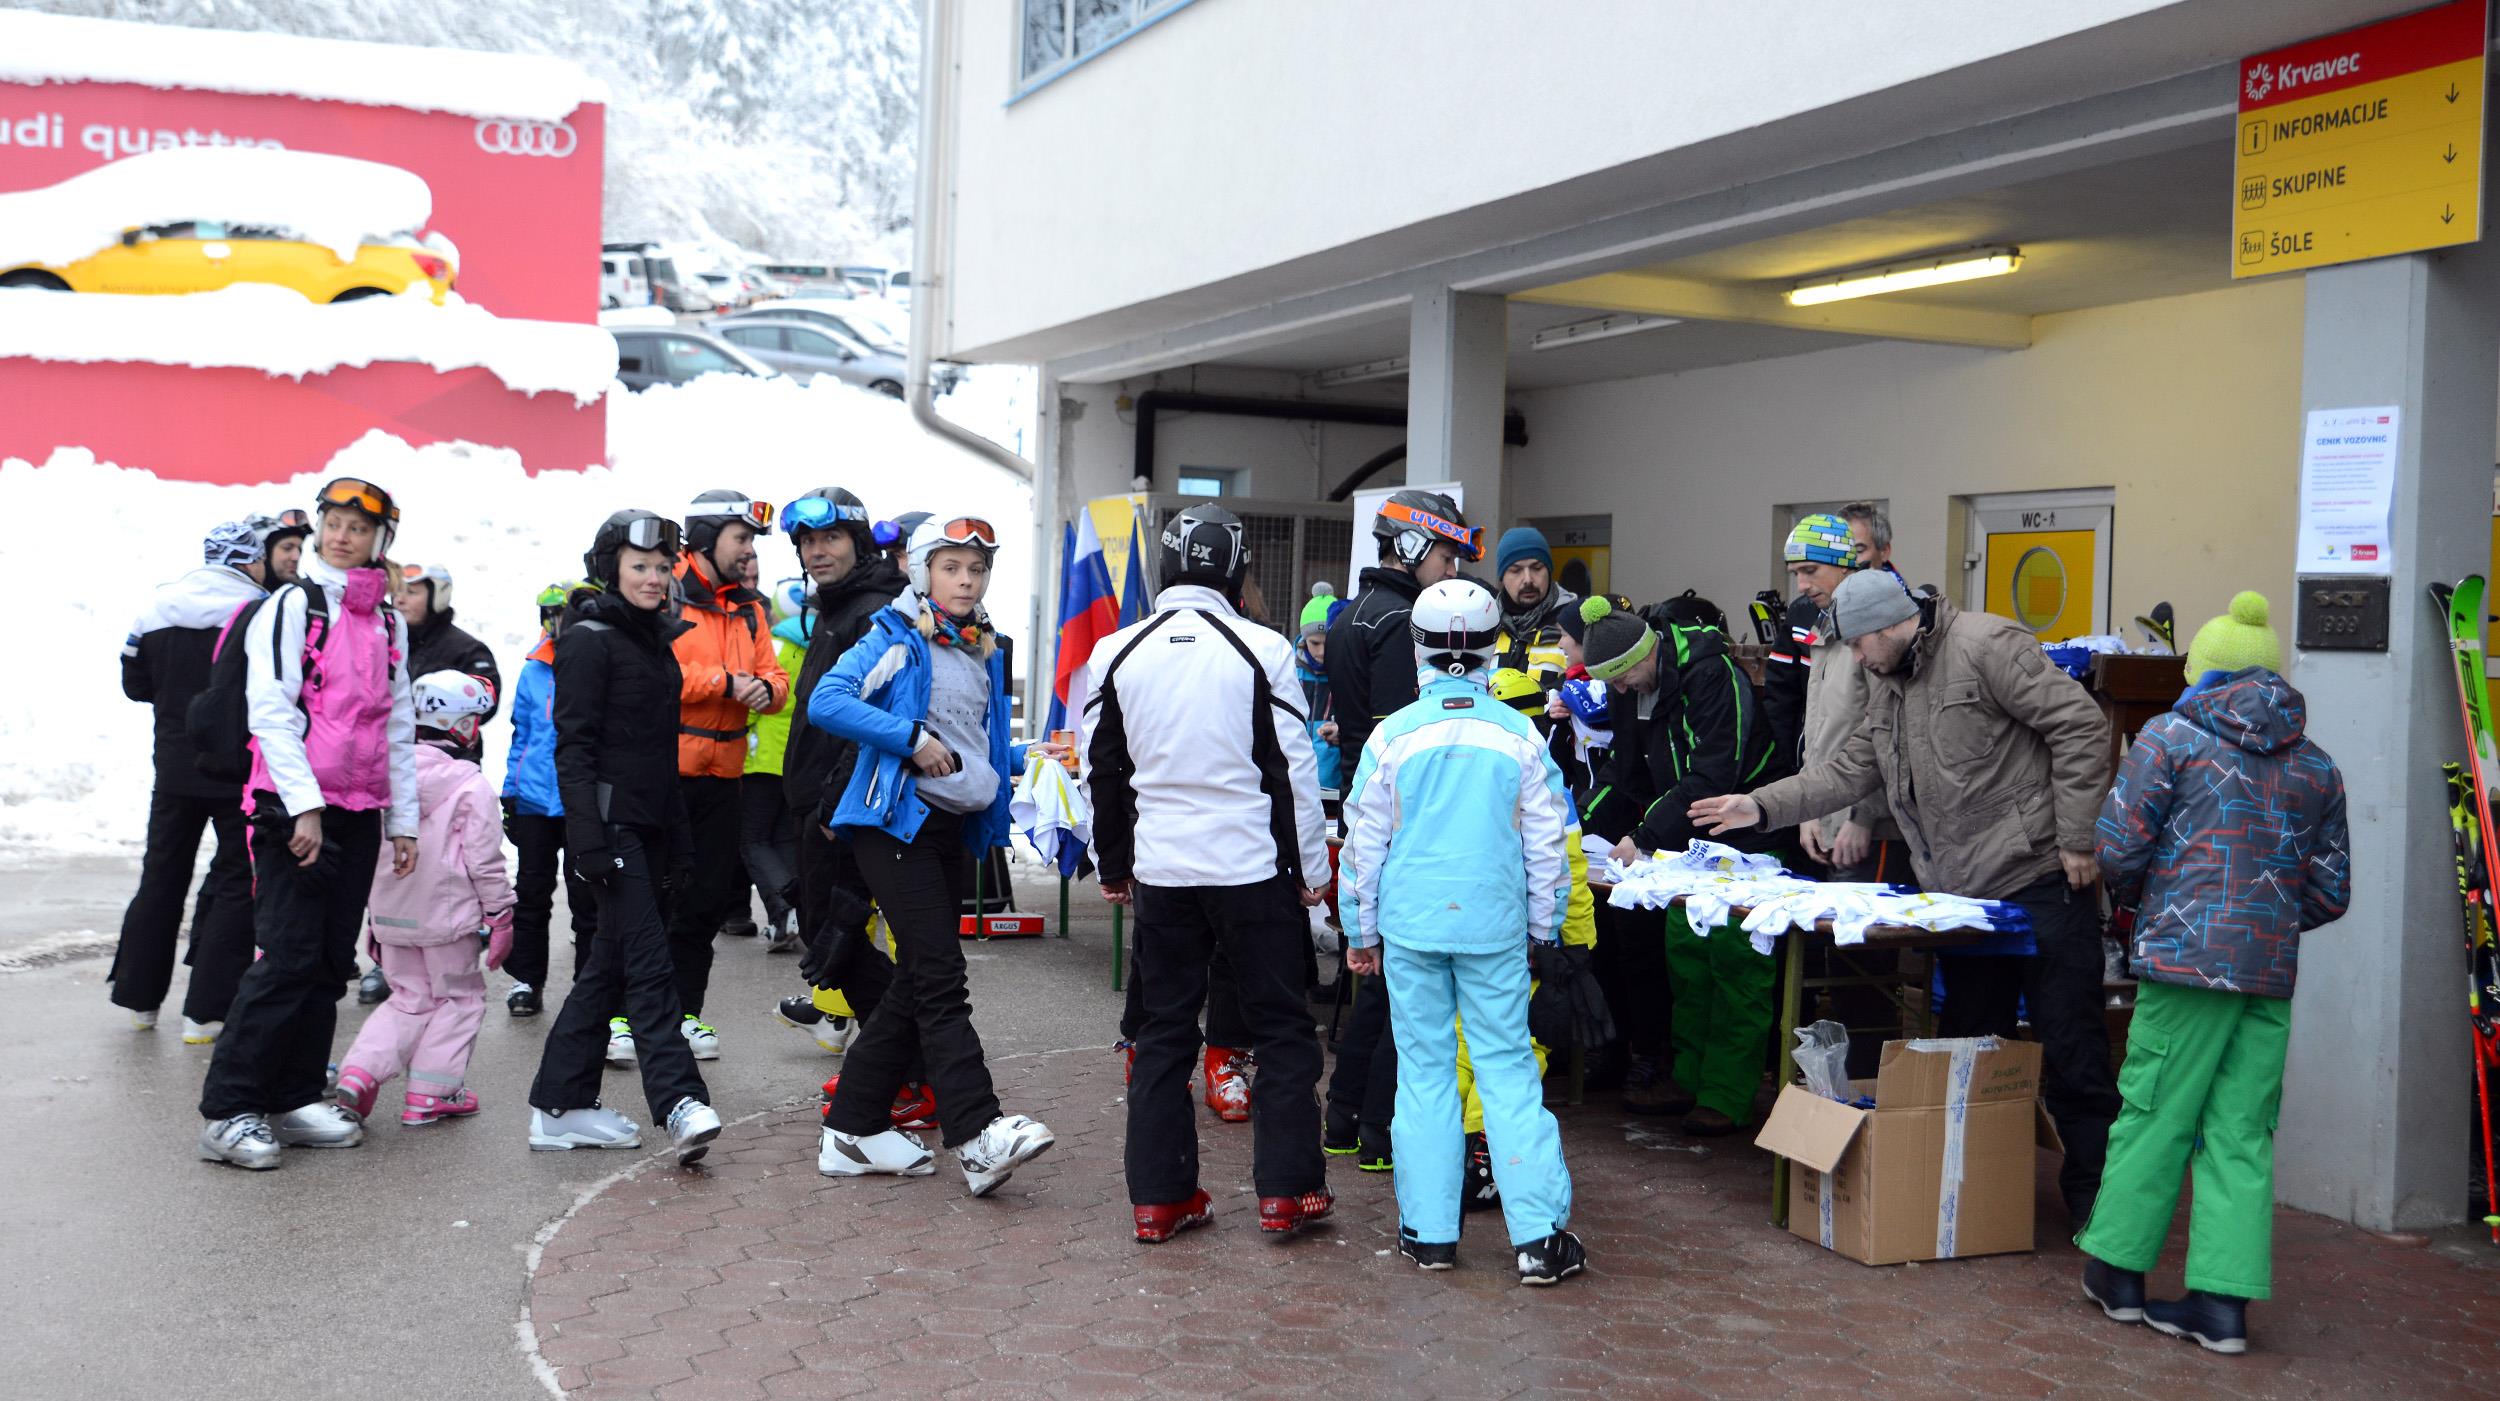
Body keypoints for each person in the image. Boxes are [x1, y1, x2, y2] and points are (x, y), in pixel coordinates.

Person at [1691, 567, 2120, 1224]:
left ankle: (2099, 1207)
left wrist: (2078, 837)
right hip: (1963, 901)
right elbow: (1848, 770)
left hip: (2039, 879)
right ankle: (1971, 1198)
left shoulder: (1985, 645)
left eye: (1859, 645)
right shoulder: (1888, 680)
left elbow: (2081, 725)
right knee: (1970, 1052)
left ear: (1890, 625)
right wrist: (1760, 805)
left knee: (2072, 1049)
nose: (1856, 659)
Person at [2077, 593, 2348, 1355]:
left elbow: (2117, 847)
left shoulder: (2170, 738)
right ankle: (2221, 1306)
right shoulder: (2318, 765)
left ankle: (2118, 1272)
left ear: (2203, 673)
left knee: (2155, 1111)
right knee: (2243, 1132)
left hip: (2183, 967)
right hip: (2267, 974)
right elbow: (2330, 891)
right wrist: (2261, 927)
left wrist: (2161, 908)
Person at [1082, 504, 1335, 1242]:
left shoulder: (1116, 650)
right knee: (1283, 1029)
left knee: (1161, 1032)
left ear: (1164, 567)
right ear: (1237, 571)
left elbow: (1101, 768)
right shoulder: (1264, 647)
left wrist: (1112, 863)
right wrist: (1311, 869)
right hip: (1251, 868)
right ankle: (1288, 1193)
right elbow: (1292, 769)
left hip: (1163, 869)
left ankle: (1161, 1201)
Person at [1340, 578, 1585, 1285]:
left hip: (1410, 928)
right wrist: (1544, 930)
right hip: (1495, 929)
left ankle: (1429, 1234)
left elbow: (1362, 847)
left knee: (1424, 1075)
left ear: (1417, 649)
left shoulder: (1391, 735)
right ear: (1491, 648)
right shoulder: (1520, 734)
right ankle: (1538, 1240)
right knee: (1507, 1070)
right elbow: (1548, 845)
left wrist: (1361, 932)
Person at [810, 516, 1059, 1197]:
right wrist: (910, 738)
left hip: (953, 827)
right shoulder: (894, 635)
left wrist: (1028, 757)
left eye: (977, 569)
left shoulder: (981, 646)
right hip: (895, 824)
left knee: (918, 979)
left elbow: (970, 743)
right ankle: (979, 1134)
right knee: (942, 976)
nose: (966, 580)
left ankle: (851, 1130)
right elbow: (828, 701)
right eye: (951, 567)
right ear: (922, 573)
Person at [196, 478, 420, 1170]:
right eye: (334, 522)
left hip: (357, 810)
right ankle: (229, 1110)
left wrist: (403, 820)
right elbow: (270, 709)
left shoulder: (387, 623)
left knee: (327, 963)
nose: (342, 536)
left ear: (379, 541)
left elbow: (398, 725)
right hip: (292, 810)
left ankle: (293, 1097)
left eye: (359, 527)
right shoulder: (294, 605)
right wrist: (304, 806)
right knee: (287, 958)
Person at [525, 510, 723, 1164]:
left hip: (652, 824)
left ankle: (560, 1108)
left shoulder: (653, 642)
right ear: (611, 568)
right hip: (611, 828)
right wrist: (587, 839)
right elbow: (573, 747)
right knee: (649, 964)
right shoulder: (588, 640)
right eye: (640, 566)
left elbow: (661, 753)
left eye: (662, 567)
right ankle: (679, 1102)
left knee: (608, 967)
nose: (653, 577)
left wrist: (681, 838)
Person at [1580, 595, 1790, 1134]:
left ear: (1644, 654)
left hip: (1749, 838)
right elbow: (1625, 772)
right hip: (1685, 847)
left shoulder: (1712, 675)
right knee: (1687, 962)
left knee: (1735, 965)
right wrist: (1581, 828)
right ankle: (1689, 1077)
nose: (1620, 691)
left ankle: (1727, 1094)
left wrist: (1643, 836)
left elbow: (1714, 775)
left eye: (1623, 678)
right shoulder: (1632, 688)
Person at [1322, 488, 1481, 1167]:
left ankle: (1343, 1120)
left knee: (1382, 986)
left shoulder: (1351, 613)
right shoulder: (1400, 622)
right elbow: (1409, 738)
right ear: (1412, 545)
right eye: (1445, 555)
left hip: (1366, 809)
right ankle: (1380, 1134)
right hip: (1405, 819)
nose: (1452, 572)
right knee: (1411, 993)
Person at [114, 513, 309, 1043]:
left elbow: (134, 684)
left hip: (173, 769)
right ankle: (205, 1012)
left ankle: (139, 1001)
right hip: (235, 769)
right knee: (235, 882)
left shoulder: (157, 607)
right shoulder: (261, 610)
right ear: (250, 561)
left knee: (161, 877)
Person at [334, 671, 513, 1129]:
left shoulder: (383, 781)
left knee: (408, 998)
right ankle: (433, 1094)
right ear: (463, 726)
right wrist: (500, 915)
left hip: (393, 917)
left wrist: (374, 920)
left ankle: (359, 1073)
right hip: (447, 922)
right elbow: (484, 861)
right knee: (459, 999)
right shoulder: (470, 786)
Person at [772, 488, 911, 1062]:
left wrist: (835, 806)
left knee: (838, 939)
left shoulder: (875, 610)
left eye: (830, 537)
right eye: (807, 541)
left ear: (857, 543)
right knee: (830, 937)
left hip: (844, 809)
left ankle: (902, 1061)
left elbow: (876, 718)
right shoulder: (836, 607)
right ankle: (898, 1063)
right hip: (818, 802)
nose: (817, 550)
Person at [665, 489, 790, 1058]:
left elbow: (776, 680)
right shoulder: (664, 594)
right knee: (653, 906)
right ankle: (624, 1017)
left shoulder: (750, 608)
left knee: (704, 904)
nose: (748, 551)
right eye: (740, 538)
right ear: (705, 539)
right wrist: (724, 683)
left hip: (724, 779)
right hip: (667, 777)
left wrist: (764, 689)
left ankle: (685, 1016)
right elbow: (657, 674)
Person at [1769, 514, 1909, 882]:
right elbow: (1818, 731)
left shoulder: (1878, 628)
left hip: (1875, 828)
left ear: (1845, 565)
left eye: (1811, 570)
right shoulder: (1824, 627)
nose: (1802, 584)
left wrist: (1866, 816)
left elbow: (1894, 732)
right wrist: (1808, 808)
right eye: (1795, 573)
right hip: (1830, 817)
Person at [500, 580, 596, 1017]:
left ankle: (587, 986)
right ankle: (527, 979)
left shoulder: (596, 661)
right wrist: (510, 793)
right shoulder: (533, 669)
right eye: (551, 615)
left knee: (586, 897)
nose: (558, 623)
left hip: (580, 798)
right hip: (535, 800)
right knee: (531, 892)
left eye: (564, 614)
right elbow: (521, 736)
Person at [740, 576, 809, 953]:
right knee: (783, 838)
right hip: (798, 758)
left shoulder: (776, 646)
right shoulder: (817, 645)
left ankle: (783, 910)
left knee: (752, 839)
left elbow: (756, 702)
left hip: (763, 757)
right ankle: (796, 915)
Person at [1491, 525, 1578, 682]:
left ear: (1549, 571)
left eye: (1536, 568)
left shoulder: (1575, 624)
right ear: (1502, 577)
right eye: (1516, 570)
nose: (1528, 579)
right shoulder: (1485, 624)